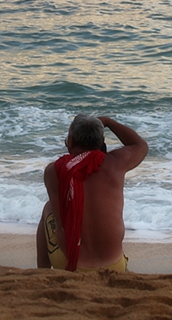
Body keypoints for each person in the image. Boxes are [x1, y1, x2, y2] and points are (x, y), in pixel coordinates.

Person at [36, 114, 148, 272]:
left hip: (69, 264)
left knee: (48, 208)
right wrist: (108, 121)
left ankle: (42, 272)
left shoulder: (54, 171)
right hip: (114, 266)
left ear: (71, 141)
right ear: (102, 142)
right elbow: (140, 145)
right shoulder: (115, 163)